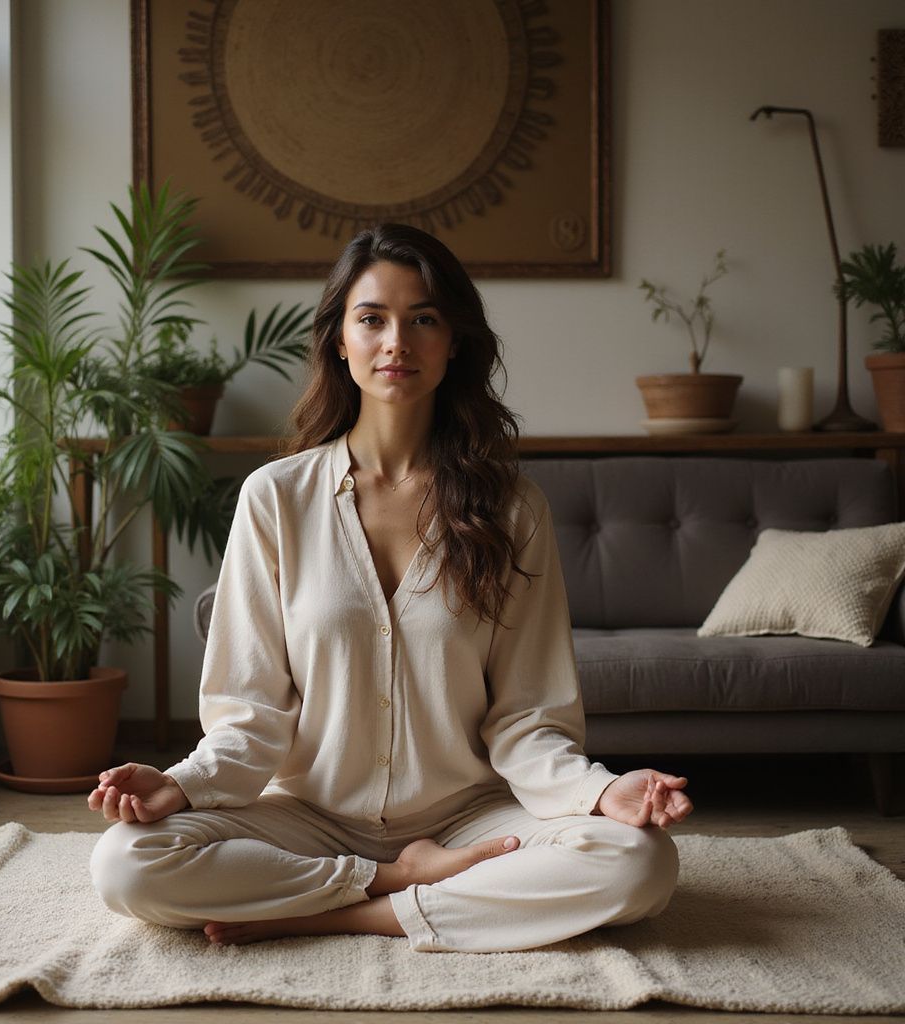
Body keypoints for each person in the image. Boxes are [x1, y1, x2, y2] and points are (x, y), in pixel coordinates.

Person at [88, 223, 693, 953]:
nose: (396, 342)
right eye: (372, 318)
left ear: (454, 343)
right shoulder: (275, 497)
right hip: (308, 815)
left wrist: (600, 792)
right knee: (125, 865)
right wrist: (180, 786)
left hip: (471, 816)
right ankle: (392, 881)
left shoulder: (512, 508)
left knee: (642, 865)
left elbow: (528, 717)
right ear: (339, 340)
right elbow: (249, 714)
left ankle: (339, 913)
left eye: (424, 319)